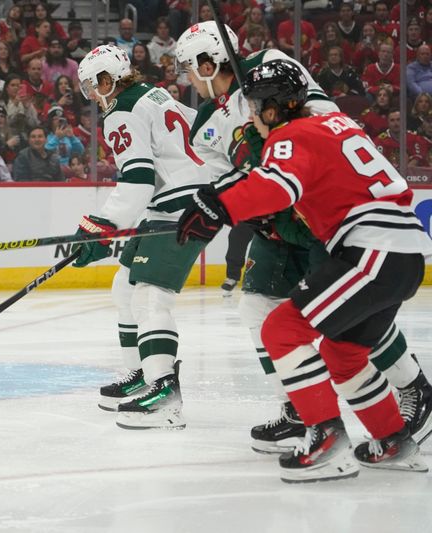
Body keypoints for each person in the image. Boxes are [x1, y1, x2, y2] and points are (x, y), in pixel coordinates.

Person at [175, 21, 432, 453]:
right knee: (258, 307)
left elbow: (311, 126)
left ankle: (412, 387)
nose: (186, 77)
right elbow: (225, 177)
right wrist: (226, 203)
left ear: (208, 60)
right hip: (278, 223)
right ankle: (300, 410)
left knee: (341, 319)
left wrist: (232, 199)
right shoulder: (203, 124)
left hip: (320, 216)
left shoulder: (271, 71)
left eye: (189, 67)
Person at [72, 44, 227, 429]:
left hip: (180, 206)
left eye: (93, 86)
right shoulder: (154, 94)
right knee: (124, 286)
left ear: (108, 80)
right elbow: (201, 132)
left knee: (151, 297)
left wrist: (100, 225)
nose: (91, 95)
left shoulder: (121, 110)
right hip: (179, 200)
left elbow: (138, 179)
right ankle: (143, 372)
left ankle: (164, 395)